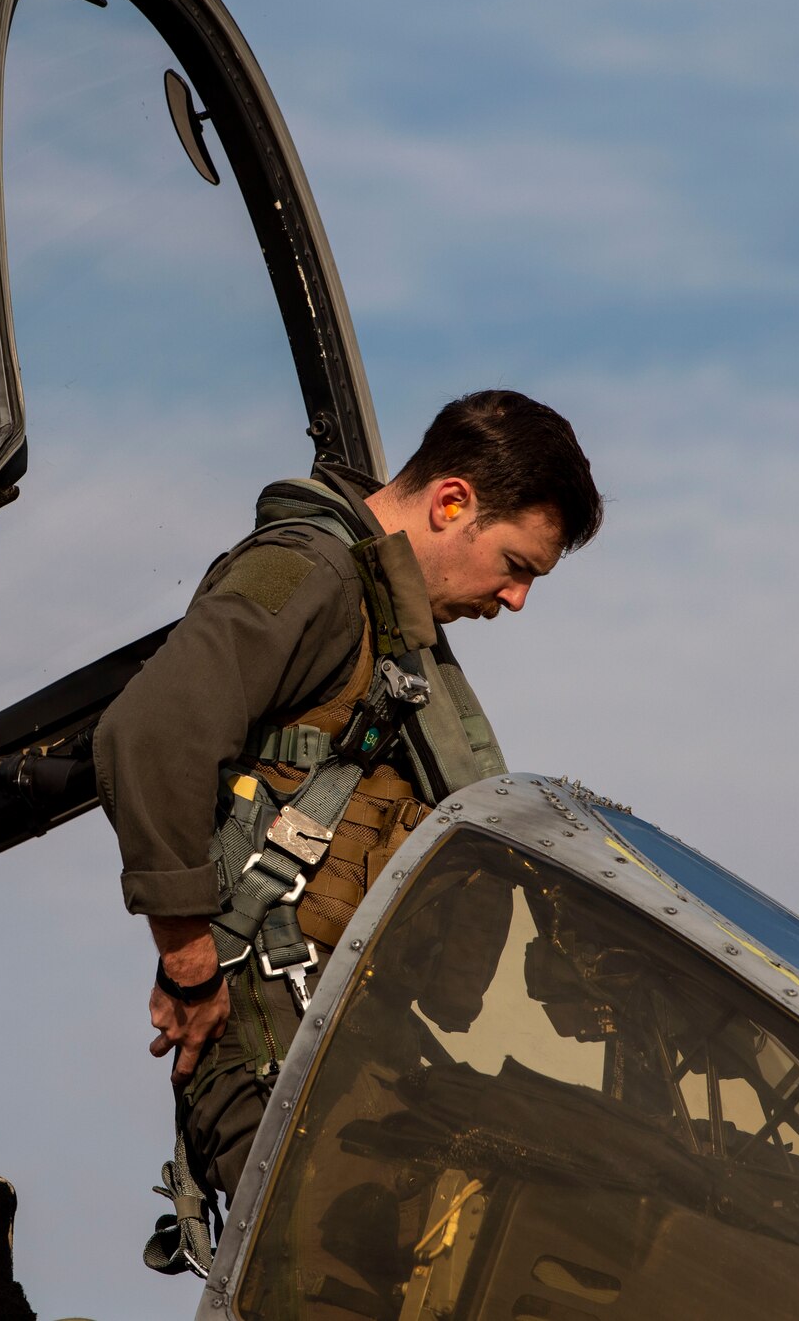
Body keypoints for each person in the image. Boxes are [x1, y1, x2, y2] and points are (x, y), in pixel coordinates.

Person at [92, 389, 603, 1221]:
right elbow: (149, 732)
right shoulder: (315, 575)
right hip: (269, 1053)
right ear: (452, 503)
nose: (516, 600)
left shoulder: (384, 617)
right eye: (516, 566)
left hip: (332, 1054)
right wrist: (188, 956)